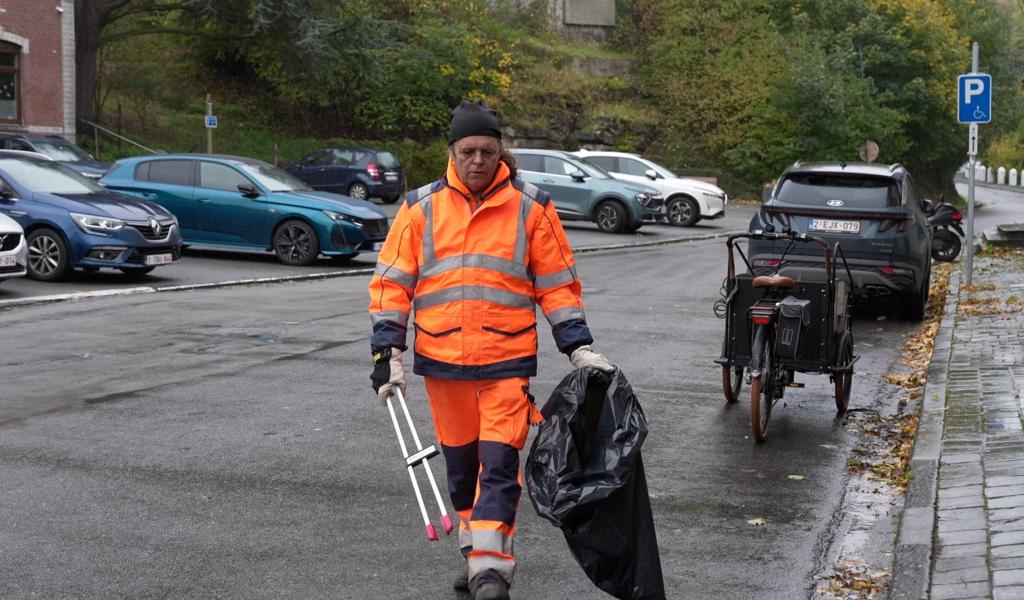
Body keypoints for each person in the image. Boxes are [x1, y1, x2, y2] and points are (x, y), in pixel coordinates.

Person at [368, 100, 614, 600]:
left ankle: (490, 572)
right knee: (461, 472)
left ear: (501, 151)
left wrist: (578, 347)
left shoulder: (531, 206)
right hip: (443, 363)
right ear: (451, 153)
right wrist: (386, 353)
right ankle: (473, 550)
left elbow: (557, 285)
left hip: (506, 363)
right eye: (467, 151)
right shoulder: (420, 208)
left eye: (486, 150)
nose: (477, 160)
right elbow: (392, 284)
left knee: (499, 465)